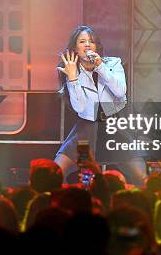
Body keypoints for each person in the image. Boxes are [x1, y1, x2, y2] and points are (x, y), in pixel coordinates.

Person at [55, 25, 146, 184]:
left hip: (114, 125)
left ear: (97, 46)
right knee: (63, 173)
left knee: (140, 174)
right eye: (82, 41)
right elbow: (80, 108)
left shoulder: (113, 63)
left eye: (92, 41)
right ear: (75, 49)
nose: (88, 45)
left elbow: (120, 91)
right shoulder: (72, 70)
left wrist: (100, 67)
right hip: (87, 129)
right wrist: (73, 79)